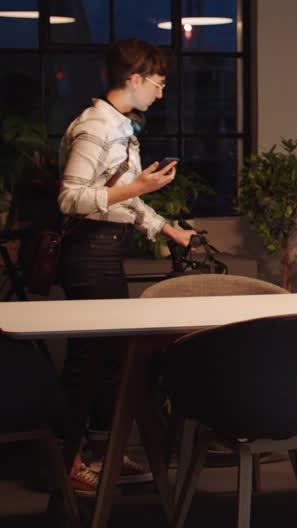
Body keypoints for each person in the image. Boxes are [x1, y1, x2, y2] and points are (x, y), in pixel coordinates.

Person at [57, 38, 198, 495]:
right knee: (85, 363)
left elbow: (124, 197)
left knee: (111, 361)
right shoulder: (96, 127)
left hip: (108, 247)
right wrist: (136, 186)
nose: (161, 91)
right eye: (158, 82)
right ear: (134, 78)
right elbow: (71, 198)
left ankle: (103, 453)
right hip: (88, 251)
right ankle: (68, 462)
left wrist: (169, 229)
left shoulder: (121, 125)